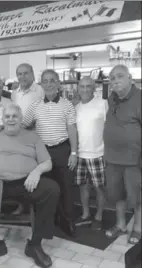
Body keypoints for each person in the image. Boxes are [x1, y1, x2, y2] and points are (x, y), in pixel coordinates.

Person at [0, 103, 60, 268]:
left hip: (26, 183)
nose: (11, 119)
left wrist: (36, 172)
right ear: (2, 119)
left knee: (51, 189)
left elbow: (47, 162)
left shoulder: (32, 136)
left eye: (14, 116)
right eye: (7, 116)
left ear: (21, 119)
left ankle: (35, 245)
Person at [23, 69, 77, 236]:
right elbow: (23, 125)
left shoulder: (67, 105)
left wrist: (74, 153)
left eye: (52, 80)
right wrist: (3, 127)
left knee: (66, 187)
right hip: (42, 153)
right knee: (47, 188)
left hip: (62, 150)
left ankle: (68, 221)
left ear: (58, 83)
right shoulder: (35, 106)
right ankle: (49, 221)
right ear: (41, 84)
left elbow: (72, 129)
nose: (48, 84)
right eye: (45, 81)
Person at [103, 65, 141, 244]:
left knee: (137, 197)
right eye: (112, 78)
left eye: (119, 76)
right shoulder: (112, 98)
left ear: (130, 78)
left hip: (134, 160)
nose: (115, 81)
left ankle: (138, 228)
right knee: (117, 194)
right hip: (112, 159)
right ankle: (121, 224)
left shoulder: (139, 98)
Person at [74, 76, 108, 230]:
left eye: (89, 86)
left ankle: (99, 216)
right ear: (78, 88)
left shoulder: (102, 104)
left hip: (98, 154)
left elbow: (109, 129)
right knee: (83, 187)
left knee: (100, 187)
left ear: (94, 88)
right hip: (80, 154)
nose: (85, 89)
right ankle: (85, 214)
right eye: (82, 86)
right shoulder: (76, 107)